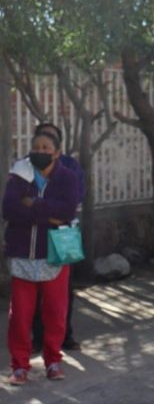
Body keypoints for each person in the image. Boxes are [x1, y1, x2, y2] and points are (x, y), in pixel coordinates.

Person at [4, 131, 81, 385]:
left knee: (55, 312)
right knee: (20, 315)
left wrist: (33, 205)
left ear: (56, 153)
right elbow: (9, 209)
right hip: (23, 252)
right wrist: (48, 215)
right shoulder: (19, 177)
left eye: (46, 147)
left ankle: (53, 360)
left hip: (55, 253)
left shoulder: (67, 178)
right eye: (36, 146)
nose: (40, 150)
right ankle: (19, 366)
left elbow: (67, 210)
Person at [31, 122, 85, 352]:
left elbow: (74, 200)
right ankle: (38, 338)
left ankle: (65, 336)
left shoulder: (71, 166)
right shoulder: (26, 167)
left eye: (49, 142)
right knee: (34, 289)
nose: (43, 150)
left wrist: (42, 209)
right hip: (33, 236)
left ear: (57, 147)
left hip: (63, 237)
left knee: (63, 290)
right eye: (39, 144)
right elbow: (18, 202)